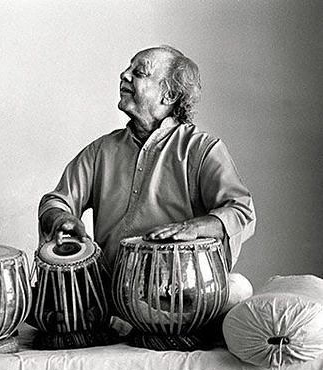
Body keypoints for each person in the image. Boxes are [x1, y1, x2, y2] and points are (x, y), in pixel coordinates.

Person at [38, 45, 256, 314]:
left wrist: (194, 227)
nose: (124, 75)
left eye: (139, 72)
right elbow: (56, 201)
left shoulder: (201, 149)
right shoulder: (101, 151)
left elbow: (241, 211)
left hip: (178, 296)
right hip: (109, 296)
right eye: (128, 69)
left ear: (170, 95)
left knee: (238, 287)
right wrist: (62, 219)